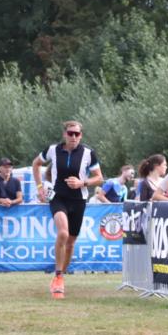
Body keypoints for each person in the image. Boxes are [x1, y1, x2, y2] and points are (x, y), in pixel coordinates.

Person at [32, 121, 103, 299]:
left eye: (77, 134)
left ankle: (60, 277)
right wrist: (40, 186)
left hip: (79, 199)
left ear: (81, 136)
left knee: (71, 242)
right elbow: (36, 164)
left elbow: (99, 178)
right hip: (58, 197)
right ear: (64, 134)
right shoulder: (52, 150)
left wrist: (82, 183)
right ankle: (57, 275)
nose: (73, 137)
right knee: (62, 233)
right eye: (70, 133)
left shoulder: (88, 153)